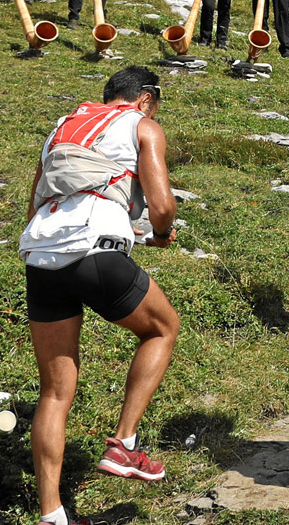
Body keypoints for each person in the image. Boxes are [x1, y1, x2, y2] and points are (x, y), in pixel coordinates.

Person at [23, 67, 182, 506]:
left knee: (54, 392)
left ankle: (51, 513)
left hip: (41, 252)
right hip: (96, 246)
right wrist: (163, 233)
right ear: (146, 99)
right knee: (162, 328)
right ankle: (125, 444)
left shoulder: (63, 125)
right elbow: (163, 206)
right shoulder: (142, 125)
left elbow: (36, 194)